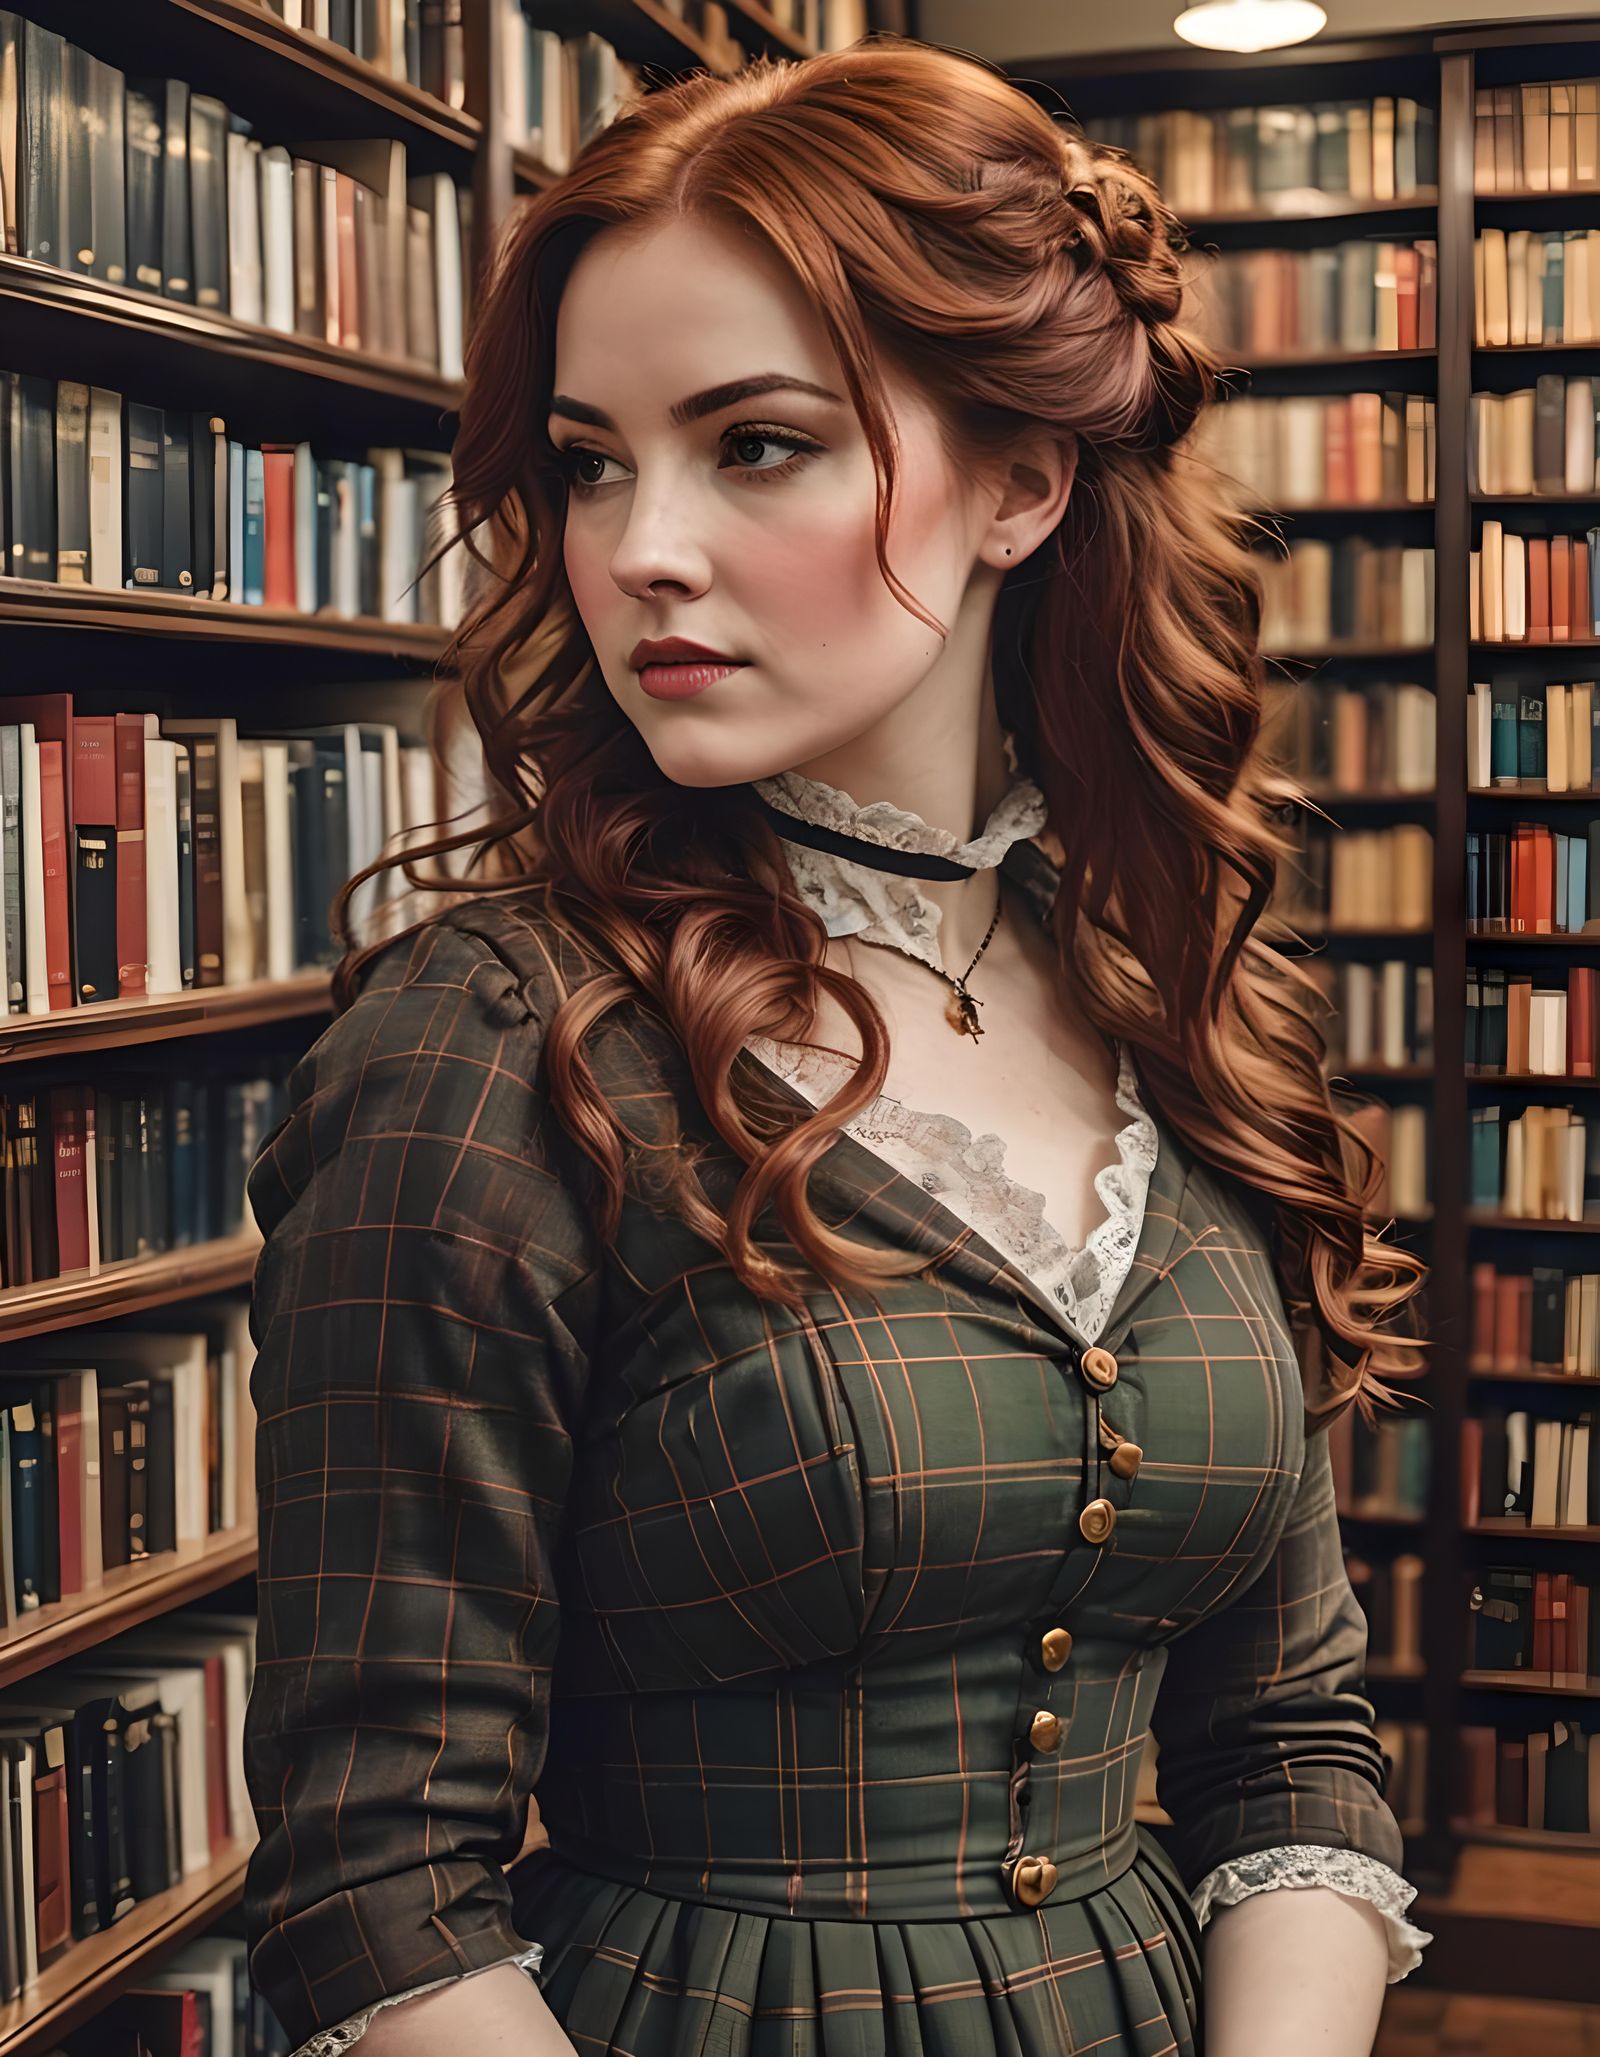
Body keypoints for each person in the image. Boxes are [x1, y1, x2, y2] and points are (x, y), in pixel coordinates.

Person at [241, 34, 1435, 2057]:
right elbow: (374, 1884)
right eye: (593, 458)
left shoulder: (1173, 998)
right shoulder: (491, 1049)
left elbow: (1293, 1734)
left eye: (757, 443)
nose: (638, 549)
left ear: (1023, 483)